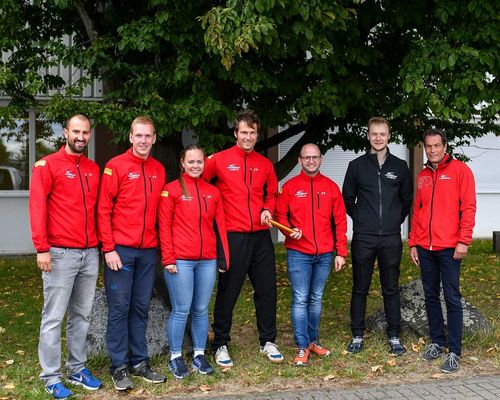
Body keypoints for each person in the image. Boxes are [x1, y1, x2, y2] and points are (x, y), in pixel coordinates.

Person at [29, 114, 102, 399]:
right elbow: (37, 208)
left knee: (82, 316)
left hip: (89, 254)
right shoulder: (47, 166)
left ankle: (77, 368)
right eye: (76, 131)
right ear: (65, 132)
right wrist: (42, 248)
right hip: (59, 254)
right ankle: (50, 377)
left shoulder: (93, 169)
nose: (81, 137)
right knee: (53, 318)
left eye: (85, 132)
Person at [203, 110, 282, 367]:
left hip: (260, 237)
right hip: (232, 236)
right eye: (244, 132)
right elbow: (198, 182)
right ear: (235, 133)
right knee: (229, 290)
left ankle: (267, 341)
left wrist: (268, 209)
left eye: (252, 132)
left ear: (257, 134)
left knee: (267, 288)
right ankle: (221, 343)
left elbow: (272, 194)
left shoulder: (265, 164)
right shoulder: (220, 160)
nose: (248, 137)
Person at [97, 116, 166, 390]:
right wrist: (109, 248)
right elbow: (103, 210)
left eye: (148, 136)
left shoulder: (159, 169)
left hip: (148, 251)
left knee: (141, 308)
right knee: (119, 308)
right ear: (130, 137)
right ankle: (118, 366)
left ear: (154, 138)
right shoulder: (115, 166)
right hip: (120, 252)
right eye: (138, 135)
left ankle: (139, 362)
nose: (143, 141)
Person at [342, 117, 412, 355]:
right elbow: (347, 200)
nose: (378, 138)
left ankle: (394, 336)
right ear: (368, 136)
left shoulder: (400, 166)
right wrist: (362, 220)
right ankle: (357, 335)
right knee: (360, 287)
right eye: (374, 134)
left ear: (389, 136)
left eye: (382, 134)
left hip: (391, 238)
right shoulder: (357, 166)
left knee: (390, 288)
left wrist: (393, 220)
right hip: (364, 237)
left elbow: (406, 202)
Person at [159, 144, 230, 379]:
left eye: (199, 161)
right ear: (182, 163)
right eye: (191, 161)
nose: (195, 165)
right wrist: (168, 258)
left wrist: (223, 258)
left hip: (207, 260)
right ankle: (176, 357)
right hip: (180, 260)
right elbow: (164, 227)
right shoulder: (171, 190)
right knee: (181, 310)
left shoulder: (213, 192)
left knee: (200, 310)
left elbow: (220, 227)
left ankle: (199, 354)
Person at [409, 128, 476, 373]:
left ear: (445, 146)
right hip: (425, 247)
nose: (433, 150)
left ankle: (454, 351)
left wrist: (464, 240)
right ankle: (437, 341)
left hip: (450, 248)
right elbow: (418, 210)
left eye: (437, 145)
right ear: (425, 148)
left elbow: (468, 208)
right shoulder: (424, 175)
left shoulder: (461, 171)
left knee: (451, 297)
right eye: (429, 146)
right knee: (430, 295)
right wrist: (413, 242)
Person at [275, 143, 348, 366]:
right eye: (306, 157)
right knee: (300, 299)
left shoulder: (331, 187)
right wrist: (289, 231)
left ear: (321, 159)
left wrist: (341, 252)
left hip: (325, 253)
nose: (311, 161)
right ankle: (301, 346)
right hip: (298, 253)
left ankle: (313, 342)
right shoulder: (290, 186)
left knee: (315, 298)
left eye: (315, 157)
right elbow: (280, 215)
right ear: (300, 161)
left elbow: (340, 221)